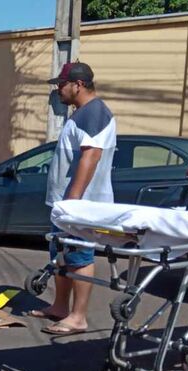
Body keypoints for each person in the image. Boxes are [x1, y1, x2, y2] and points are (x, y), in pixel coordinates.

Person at [36, 62, 117, 335]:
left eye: (61, 84)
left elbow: (90, 157)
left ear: (78, 85)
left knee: (80, 256)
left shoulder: (94, 113)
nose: (58, 89)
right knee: (63, 256)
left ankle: (78, 316)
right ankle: (60, 307)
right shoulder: (83, 113)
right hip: (66, 204)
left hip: (81, 206)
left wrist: (73, 204)